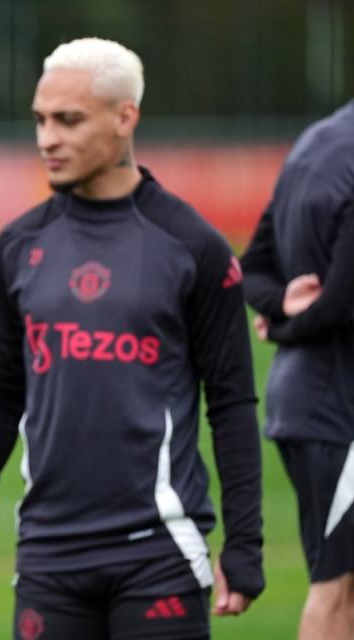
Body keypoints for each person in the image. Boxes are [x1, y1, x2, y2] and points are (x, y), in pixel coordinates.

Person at [0, 37, 265, 639]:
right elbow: (3, 392)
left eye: (68, 120)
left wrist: (246, 541)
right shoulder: (16, 246)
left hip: (159, 552)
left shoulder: (195, 248)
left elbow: (233, 403)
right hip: (47, 556)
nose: (47, 138)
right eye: (39, 119)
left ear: (124, 117)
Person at [240, 100, 354, 640]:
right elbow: (339, 305)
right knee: (338, 591)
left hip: (307, 403)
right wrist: (287, 320)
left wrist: (278, 311)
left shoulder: (315, 142)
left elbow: (252, 269)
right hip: (338, 411)